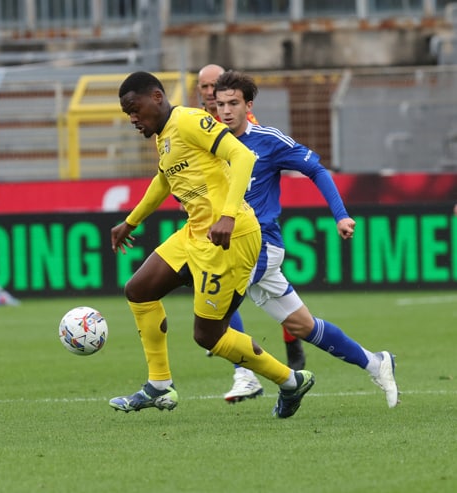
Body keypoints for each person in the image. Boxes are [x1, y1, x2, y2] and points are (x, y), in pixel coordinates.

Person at [109, 71, 315, 419]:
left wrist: (229, 215)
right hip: (196, 233)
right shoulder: (164, 137)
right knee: (139, 290)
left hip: (231, 238)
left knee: (208, 335)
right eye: (127, 112)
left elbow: (243, 157)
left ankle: (291, 381)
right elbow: (164, 179)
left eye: (135, 108)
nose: (132, 118)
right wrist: (131, 221)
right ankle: (158, 386)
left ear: (157, 97)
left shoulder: (190, 120)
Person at [212, 70, 399, 407]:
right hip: (233, 246)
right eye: (220, 104)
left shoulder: (268, 140)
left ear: (248, 105)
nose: (225, 111)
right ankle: (375, 362)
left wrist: (340, 214)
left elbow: (316, 169)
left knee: (211, 313)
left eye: (233, 103)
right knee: (302, 326)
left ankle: (270, 379)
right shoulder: (210, 143)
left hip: (261, 245)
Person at [198, 63, 306, 372]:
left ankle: (251, 360)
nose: (208, 91)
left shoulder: (240, 123)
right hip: (221, 220)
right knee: (214, 280)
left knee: (222, 284)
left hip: (249, 222)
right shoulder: (201, 121)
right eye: (204, 87)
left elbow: (250, 157)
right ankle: (243, 352)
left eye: (213, 86)